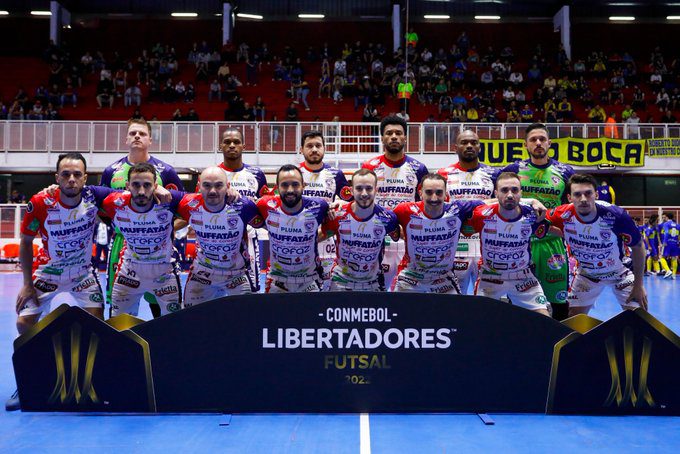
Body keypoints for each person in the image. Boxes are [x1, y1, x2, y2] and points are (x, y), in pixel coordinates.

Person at [7, 153, 114, 411]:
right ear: (56, 178)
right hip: (48, 270)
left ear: (85, 178)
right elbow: (24, 242)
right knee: (24, 323)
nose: (71, 178)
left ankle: (93, 378)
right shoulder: (40, 201)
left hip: (82, 273)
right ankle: (28, 379)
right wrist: (26, 284)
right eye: (65, 174)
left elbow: (127, 196)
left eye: (77, 174)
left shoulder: (95, 198)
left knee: (97, 323)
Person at [100, 117, 183, 318]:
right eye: (133, 133)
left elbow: (184, 208)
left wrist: (166, 230)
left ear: (150, 140)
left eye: (142, 133)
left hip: (159, 246)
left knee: (162, 306)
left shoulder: (167, 171)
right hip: (122, 244)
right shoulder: (112, 171)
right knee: (120, 308)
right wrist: (125, 228)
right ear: (126, 139)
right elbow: (102, 209)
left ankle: (161, 345)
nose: (137, 136)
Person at [501, 123, 574, 320]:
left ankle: (558, 345)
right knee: (517, 301)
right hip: (519, 244)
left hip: (552, 245)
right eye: (533, 140)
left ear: (550, 143)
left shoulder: (565, 171)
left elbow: (571, 209)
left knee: (558, 301)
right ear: (526, 144)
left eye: (542, 139)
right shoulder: (514, 169)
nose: (538, 143)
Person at [547, 174, 648, 314]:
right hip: (587, 275)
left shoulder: (616, 215)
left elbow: (638, 247)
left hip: (620, 273)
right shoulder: (562, 214)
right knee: (573, 320)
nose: (583, 199)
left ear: (596, 194)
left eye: (588, 193)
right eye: (577, 194)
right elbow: (537, 220)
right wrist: (534, 202)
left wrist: (639, 284)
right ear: (569, 198)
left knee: (640, 319)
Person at [467, 172, 551, 317]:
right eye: (504, 190)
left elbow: (556, 229)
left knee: (545, 320)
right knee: (478, 320)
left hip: (524, 278)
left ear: (521, 193)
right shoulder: (481, 215)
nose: (510, 195)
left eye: (515, 190)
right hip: (490, 277)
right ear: (496, 193)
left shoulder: (534, 214)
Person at [178, 167, 262, 307]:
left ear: (228, 186)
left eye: (219, 185)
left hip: (236, 274)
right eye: (207, 185)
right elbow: (150, 195)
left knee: (249, 318)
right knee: (190, 319)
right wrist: (158, 189)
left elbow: (267, 219)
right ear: (198, 187)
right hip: (202, 274)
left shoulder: (243, 205)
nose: (212, 191)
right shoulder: (187, 203)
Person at [362, 115, 428, 289]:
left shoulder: (418, 168)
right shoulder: (370, 166)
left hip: (407, 238)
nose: (394, 137)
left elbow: (424, 205)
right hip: (375, 237)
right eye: (389, 133)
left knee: (406, 291)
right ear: (382, 137)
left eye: (398, 133)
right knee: (375, 288)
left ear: (405, 137)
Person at [393, 173, 484, 294]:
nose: (434, 198)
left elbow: (484, 204)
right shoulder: (405, 210)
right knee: (400, 311)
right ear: (420, 193)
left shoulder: (457, 209)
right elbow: (385, 218)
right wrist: (396, 230)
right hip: (410, 276)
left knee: (455, 312)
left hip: (443, 278)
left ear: (446, 194)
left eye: (439, 192)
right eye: (429, 192)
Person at [438, 130, 498, 294]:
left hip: (487, 245)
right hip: (455, 245)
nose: (469, 145)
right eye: (464, 142)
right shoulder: (443, 174)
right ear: (455, 147)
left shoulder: (493, 174)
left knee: (488, 300)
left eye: (474, 142)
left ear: (479, 147)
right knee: (453, 300)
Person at [319, 168, 399, 291]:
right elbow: (315, 238)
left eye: (369, 188)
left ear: (376, 190)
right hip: (341, 281)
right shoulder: (337, 215)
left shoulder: (388, 218)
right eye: (359, 188)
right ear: (351, 190)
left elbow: (406, 236)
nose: (364, 193)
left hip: (373, 283)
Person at [256, 165, 329, 293]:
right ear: (277, 188)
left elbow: (332, 228)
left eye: (295, 184)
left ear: (303, 185)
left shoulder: (320, 206)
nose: (290, 190)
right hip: (276, 280)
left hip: (310, 280)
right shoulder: (264, 205)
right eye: (284, 185)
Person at [217, 128, 270, 292]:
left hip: (249, 238)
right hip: (218, 237)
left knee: (250, 291)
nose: (232, 145)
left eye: (236, 142)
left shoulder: (256, 174)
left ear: (244, 146)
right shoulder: (213, 174)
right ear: (221, 146)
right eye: (227, 142)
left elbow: (266, 205)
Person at [298, 130, 352, 289]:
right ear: (301, 149)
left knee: (327, 289)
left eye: (318, 145)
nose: (314, 149)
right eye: (309, 146)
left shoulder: (336, 174)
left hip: (328, 239)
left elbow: (349, 203)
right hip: (300, 239)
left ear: (324, 148)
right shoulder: (294, 173)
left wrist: (341, 204)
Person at [661, 212, 678, 279]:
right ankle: (674, 275)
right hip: (675, 243)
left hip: (668, 243)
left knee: (661, 257)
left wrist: (664, 242)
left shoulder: (666, 224)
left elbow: (667, 232)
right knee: (674, 258)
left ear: (667, 217)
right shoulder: (677, 225)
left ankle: (668, 271)